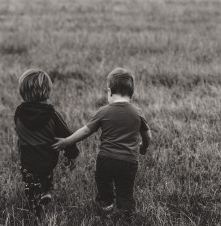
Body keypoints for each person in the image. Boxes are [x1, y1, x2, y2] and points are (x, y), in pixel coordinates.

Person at [52, 68, 151, 216]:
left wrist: (67, 141)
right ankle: (126, 212)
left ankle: (106, 204)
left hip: (106, 159)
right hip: (129, 161)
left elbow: (85, 131)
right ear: (132, 93)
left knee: (103, 183)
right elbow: (148, 135)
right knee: (125, 190)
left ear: (110, 91)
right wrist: (144, 147)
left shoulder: (103, 111)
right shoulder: (138, 112)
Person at [15, 69, 79, 216]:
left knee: (30, 184)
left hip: (27, 160)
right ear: (48, 92)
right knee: (46, 176)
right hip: (47, 159)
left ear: (22, 91)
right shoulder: (51, 114)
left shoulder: (19, 112)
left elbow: (19, 131)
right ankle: (45, 192)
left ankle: (35, 206)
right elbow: (67, 135)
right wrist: (71, 154)